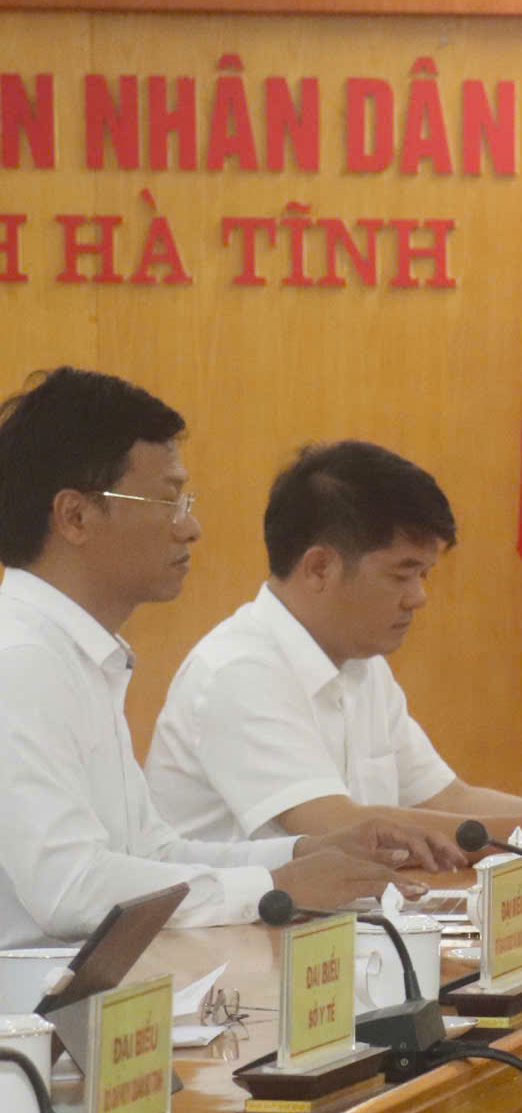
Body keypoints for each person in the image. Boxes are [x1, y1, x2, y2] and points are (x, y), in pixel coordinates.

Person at [0, 369, 442, 948]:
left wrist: (304, 854)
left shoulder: (78, 657)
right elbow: (71, 889)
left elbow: (153, 854)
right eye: (168, 501)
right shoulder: (21, 660)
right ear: (75, 517)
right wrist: (276, 886)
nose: (190, 527)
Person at [147, 441, 522, 852]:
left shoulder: (361, 663)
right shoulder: (239, 671)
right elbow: (341, 827)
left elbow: (449, 799)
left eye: (424, 575)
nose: (418, 597)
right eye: (402, 575)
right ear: (319, 568)